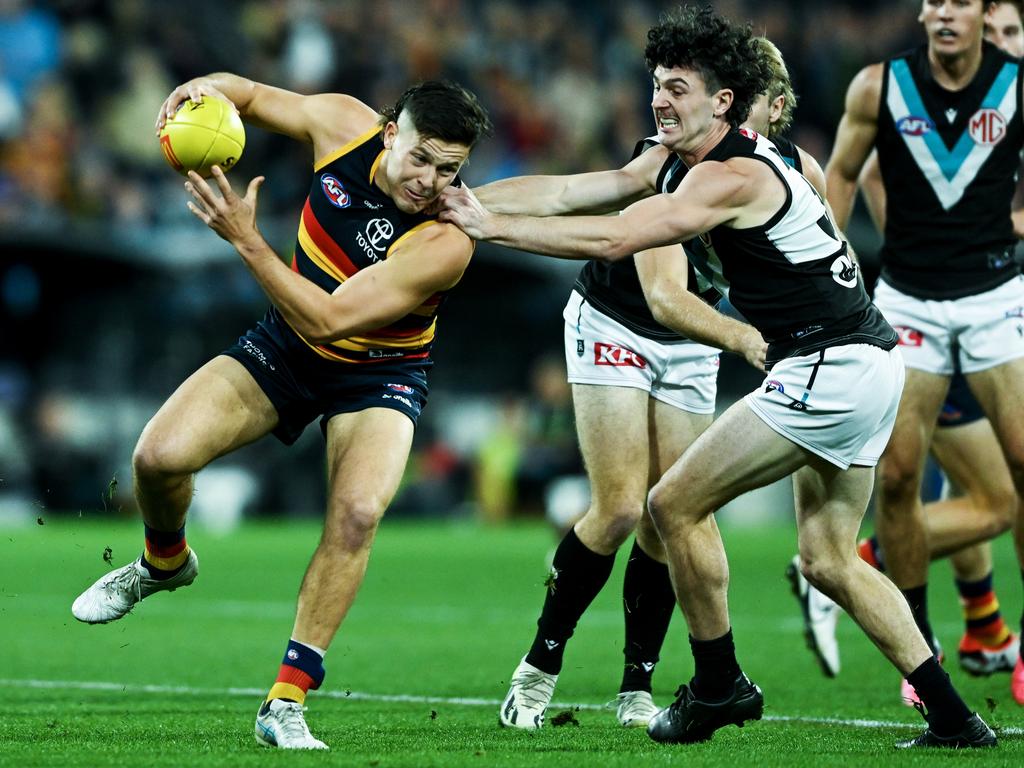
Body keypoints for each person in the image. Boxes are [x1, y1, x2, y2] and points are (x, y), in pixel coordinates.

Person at [441, 5, 995, 750]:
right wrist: (473, 203)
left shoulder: (727, 176)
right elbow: (592, 193)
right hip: (870, 363)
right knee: (829, 558)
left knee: (669, 505)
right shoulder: (738, 162)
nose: (659, 99)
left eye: (676, 87)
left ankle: (718, 684)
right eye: (656, 85)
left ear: (722, 102)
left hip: (825, 366)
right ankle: (954, 718)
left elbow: (615, 234)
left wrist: (490, 229)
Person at [70, 74, 491, 750]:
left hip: (379, 372)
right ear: (390, 133)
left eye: (450, 169)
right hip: (285, 348)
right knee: (156, 458)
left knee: (356, 514)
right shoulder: (341, 124)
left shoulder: (446, 241)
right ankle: (164, 562)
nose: (430, 181)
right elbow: (254, 99)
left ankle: (285, 701)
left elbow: (328, 321)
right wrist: (201, 89)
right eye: (421, 158)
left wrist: (244, 236)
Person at [791, 0, 1024, 689]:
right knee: (895, 477)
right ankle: (921, 651)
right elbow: (840, 172)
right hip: (908, 299)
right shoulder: (879, 86)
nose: (945, 13)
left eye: (962, 2)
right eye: (935, 1)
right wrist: (825, 261)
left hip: (993, 296)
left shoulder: (1016, 84)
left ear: (984, 15)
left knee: (1020, 465)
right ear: (923, 13)